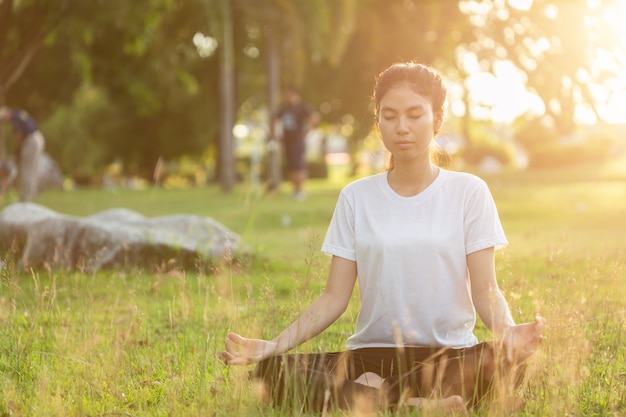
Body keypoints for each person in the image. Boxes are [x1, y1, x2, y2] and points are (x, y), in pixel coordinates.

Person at [221, 62, 544, 413]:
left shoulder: (469, 192)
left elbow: (486, 291)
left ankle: (376, 399)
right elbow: (333, 297)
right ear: (378, 123)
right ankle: (411, 404)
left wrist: (508, 332)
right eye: (389, 116)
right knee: (272, 373)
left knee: (504, 362)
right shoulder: (356, 197)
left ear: (437, 120)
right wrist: (275, 345)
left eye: (414, 115)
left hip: (449, 357)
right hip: (370, 358)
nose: (401, 127)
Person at [270, 85, 320, 200]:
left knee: (299, 166)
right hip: (287, 142)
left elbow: (315, 117)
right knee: (291, 166)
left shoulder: (302, 107)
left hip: (298, 141)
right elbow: (274, 118)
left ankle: (300, 190)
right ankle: (294, 190)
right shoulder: (284, 108)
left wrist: (308, 131)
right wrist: (275, 134)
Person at [0, 106, 45, 201]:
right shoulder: (20, 113)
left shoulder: (15, 116)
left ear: (6, 114)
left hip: (30, 141)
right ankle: (32, 193)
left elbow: (18, 134)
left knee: (27, 168)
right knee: (33, 168)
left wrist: (17, 150)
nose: (6, 122)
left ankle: (27, 196)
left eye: (4, 120)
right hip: (38, 138)